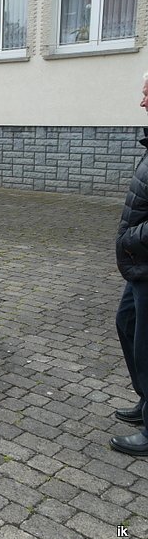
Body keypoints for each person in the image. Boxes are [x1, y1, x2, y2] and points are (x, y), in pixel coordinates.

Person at [110, 72, 148, 457]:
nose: (142, 102)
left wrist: (131, 238)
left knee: (147, 343)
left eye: (147, 94)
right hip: (140, 265)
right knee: (127, 323)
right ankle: (145, 399)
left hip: (144, 258)